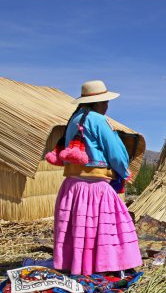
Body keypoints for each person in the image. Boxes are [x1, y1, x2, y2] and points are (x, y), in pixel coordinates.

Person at [52, 80, 142, 276]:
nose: (107, 105)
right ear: (98, 103)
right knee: (112, 225)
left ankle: (76, 264)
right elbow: (116, 153)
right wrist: (124, 172)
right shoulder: (98, 120)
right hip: (95, 188)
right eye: (105, 102)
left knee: (79, 228)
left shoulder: (74, 119)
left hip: (72, 186)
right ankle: (106, 264)